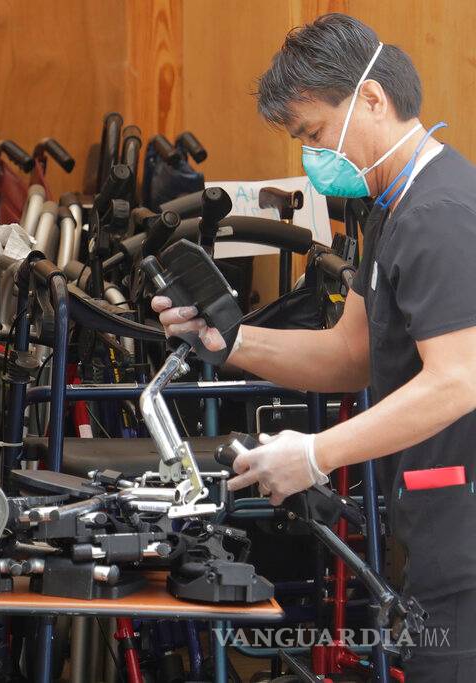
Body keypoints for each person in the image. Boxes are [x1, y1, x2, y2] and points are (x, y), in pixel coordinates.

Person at [153, 13, 476, 681]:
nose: (310, 155)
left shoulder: (441, 215)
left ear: (373, 99)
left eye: (314, 134)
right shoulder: (390, 208)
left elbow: (460, 379)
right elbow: (349, 353)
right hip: (433, 528)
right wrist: (232, 339)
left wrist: (314, 453)